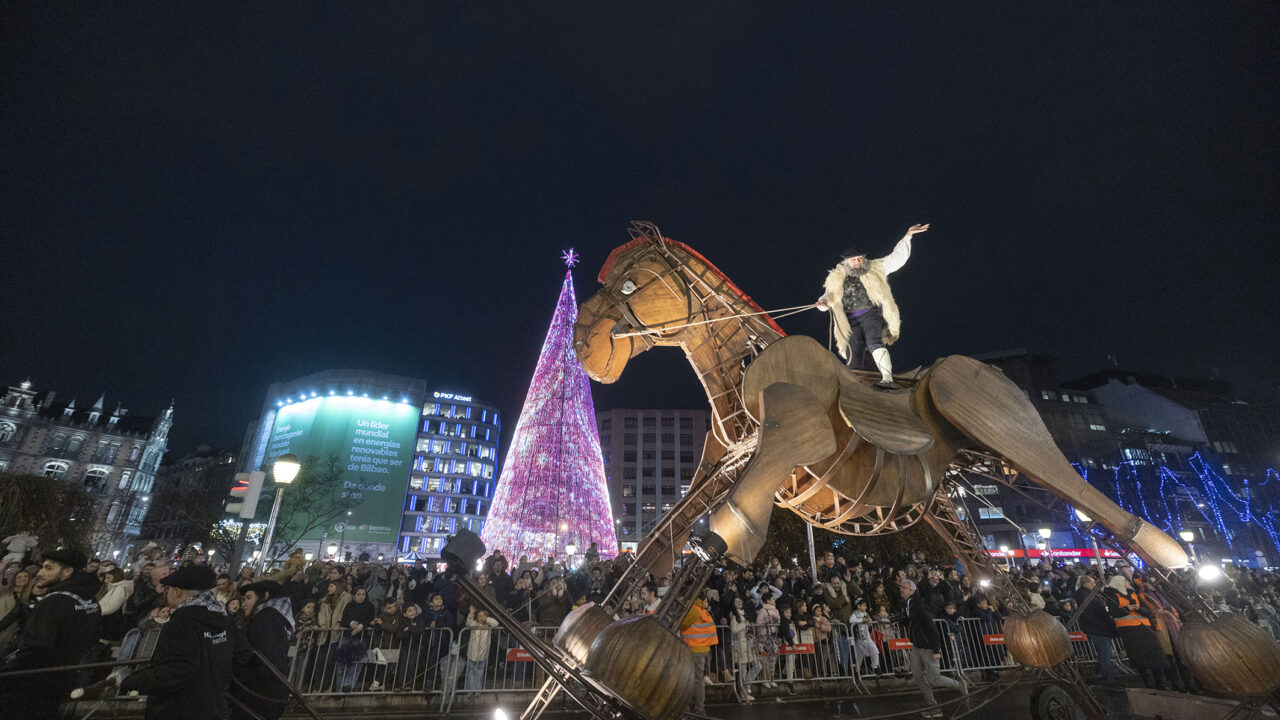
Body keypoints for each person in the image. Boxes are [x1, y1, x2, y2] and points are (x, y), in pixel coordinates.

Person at [120, 563, 243, 720]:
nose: (167, 593)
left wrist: (132, 681)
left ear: (177, 591)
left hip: (179, 708)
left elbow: (177, 669)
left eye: (168, 589)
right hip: (212, 706)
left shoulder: (182, 622)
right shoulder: (223, 620)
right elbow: (241, 655)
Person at [816, 223, 930, 388]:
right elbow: (828, 296)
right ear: (846, 262)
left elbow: (895, 259)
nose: (858, 261)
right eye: (855, 260)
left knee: (874, 342)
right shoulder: (836, 278)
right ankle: (852, 385)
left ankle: (888, 380)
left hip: (870, 314)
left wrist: (908, 236)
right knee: (853, 350)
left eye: (860, 258)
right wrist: (823, 303)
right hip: (850, 320)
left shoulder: (875, 268)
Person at [0, 547, 101, 720]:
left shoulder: (53, 603)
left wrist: (6, 671)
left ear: (67, 571)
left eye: (48, 568)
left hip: (32, 685)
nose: (39, 573)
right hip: (62, 680)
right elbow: (92, 639)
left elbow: (36, 649)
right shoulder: (90, 601)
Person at [231, 580, 294, 720]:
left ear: (265, 596)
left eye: (248, 598)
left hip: (259, 694)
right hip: (268, 692)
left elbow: (258, 655)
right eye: (243, 599)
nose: (244, 604)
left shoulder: (265, 618)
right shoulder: (274, 617)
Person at [900, 579, 961, 718]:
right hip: (916, 645)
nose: (901, 590)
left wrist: (936, 649)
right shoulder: (908, 603)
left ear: (912, 590)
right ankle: (933, 707)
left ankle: (958, 685)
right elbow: (913, 621)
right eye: (901, 588)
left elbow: (931, 627)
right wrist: (904, 620)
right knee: (917, 675)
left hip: (927, 646)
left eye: (904, 588)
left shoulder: (919, 605)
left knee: (934, 680)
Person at [1074, 575, 1118, 687]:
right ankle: (1108, 678)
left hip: (1096, 627)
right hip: (1099, 629)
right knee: (1105, 654)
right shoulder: (1087, 596)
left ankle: (1106, 675)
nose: (1094, 585)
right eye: (1093, 583)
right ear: (1086, 583)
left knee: (1104, 653)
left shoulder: (1084, 595)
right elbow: (1098, 612)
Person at [679, 593, 719, 714]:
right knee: (698, 679)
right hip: (702, 649)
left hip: (694, 649)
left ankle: (697, 708)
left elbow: (681, 624)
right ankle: (698, 707)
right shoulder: (701, 609)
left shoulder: (692, 609)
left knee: (694, 679)